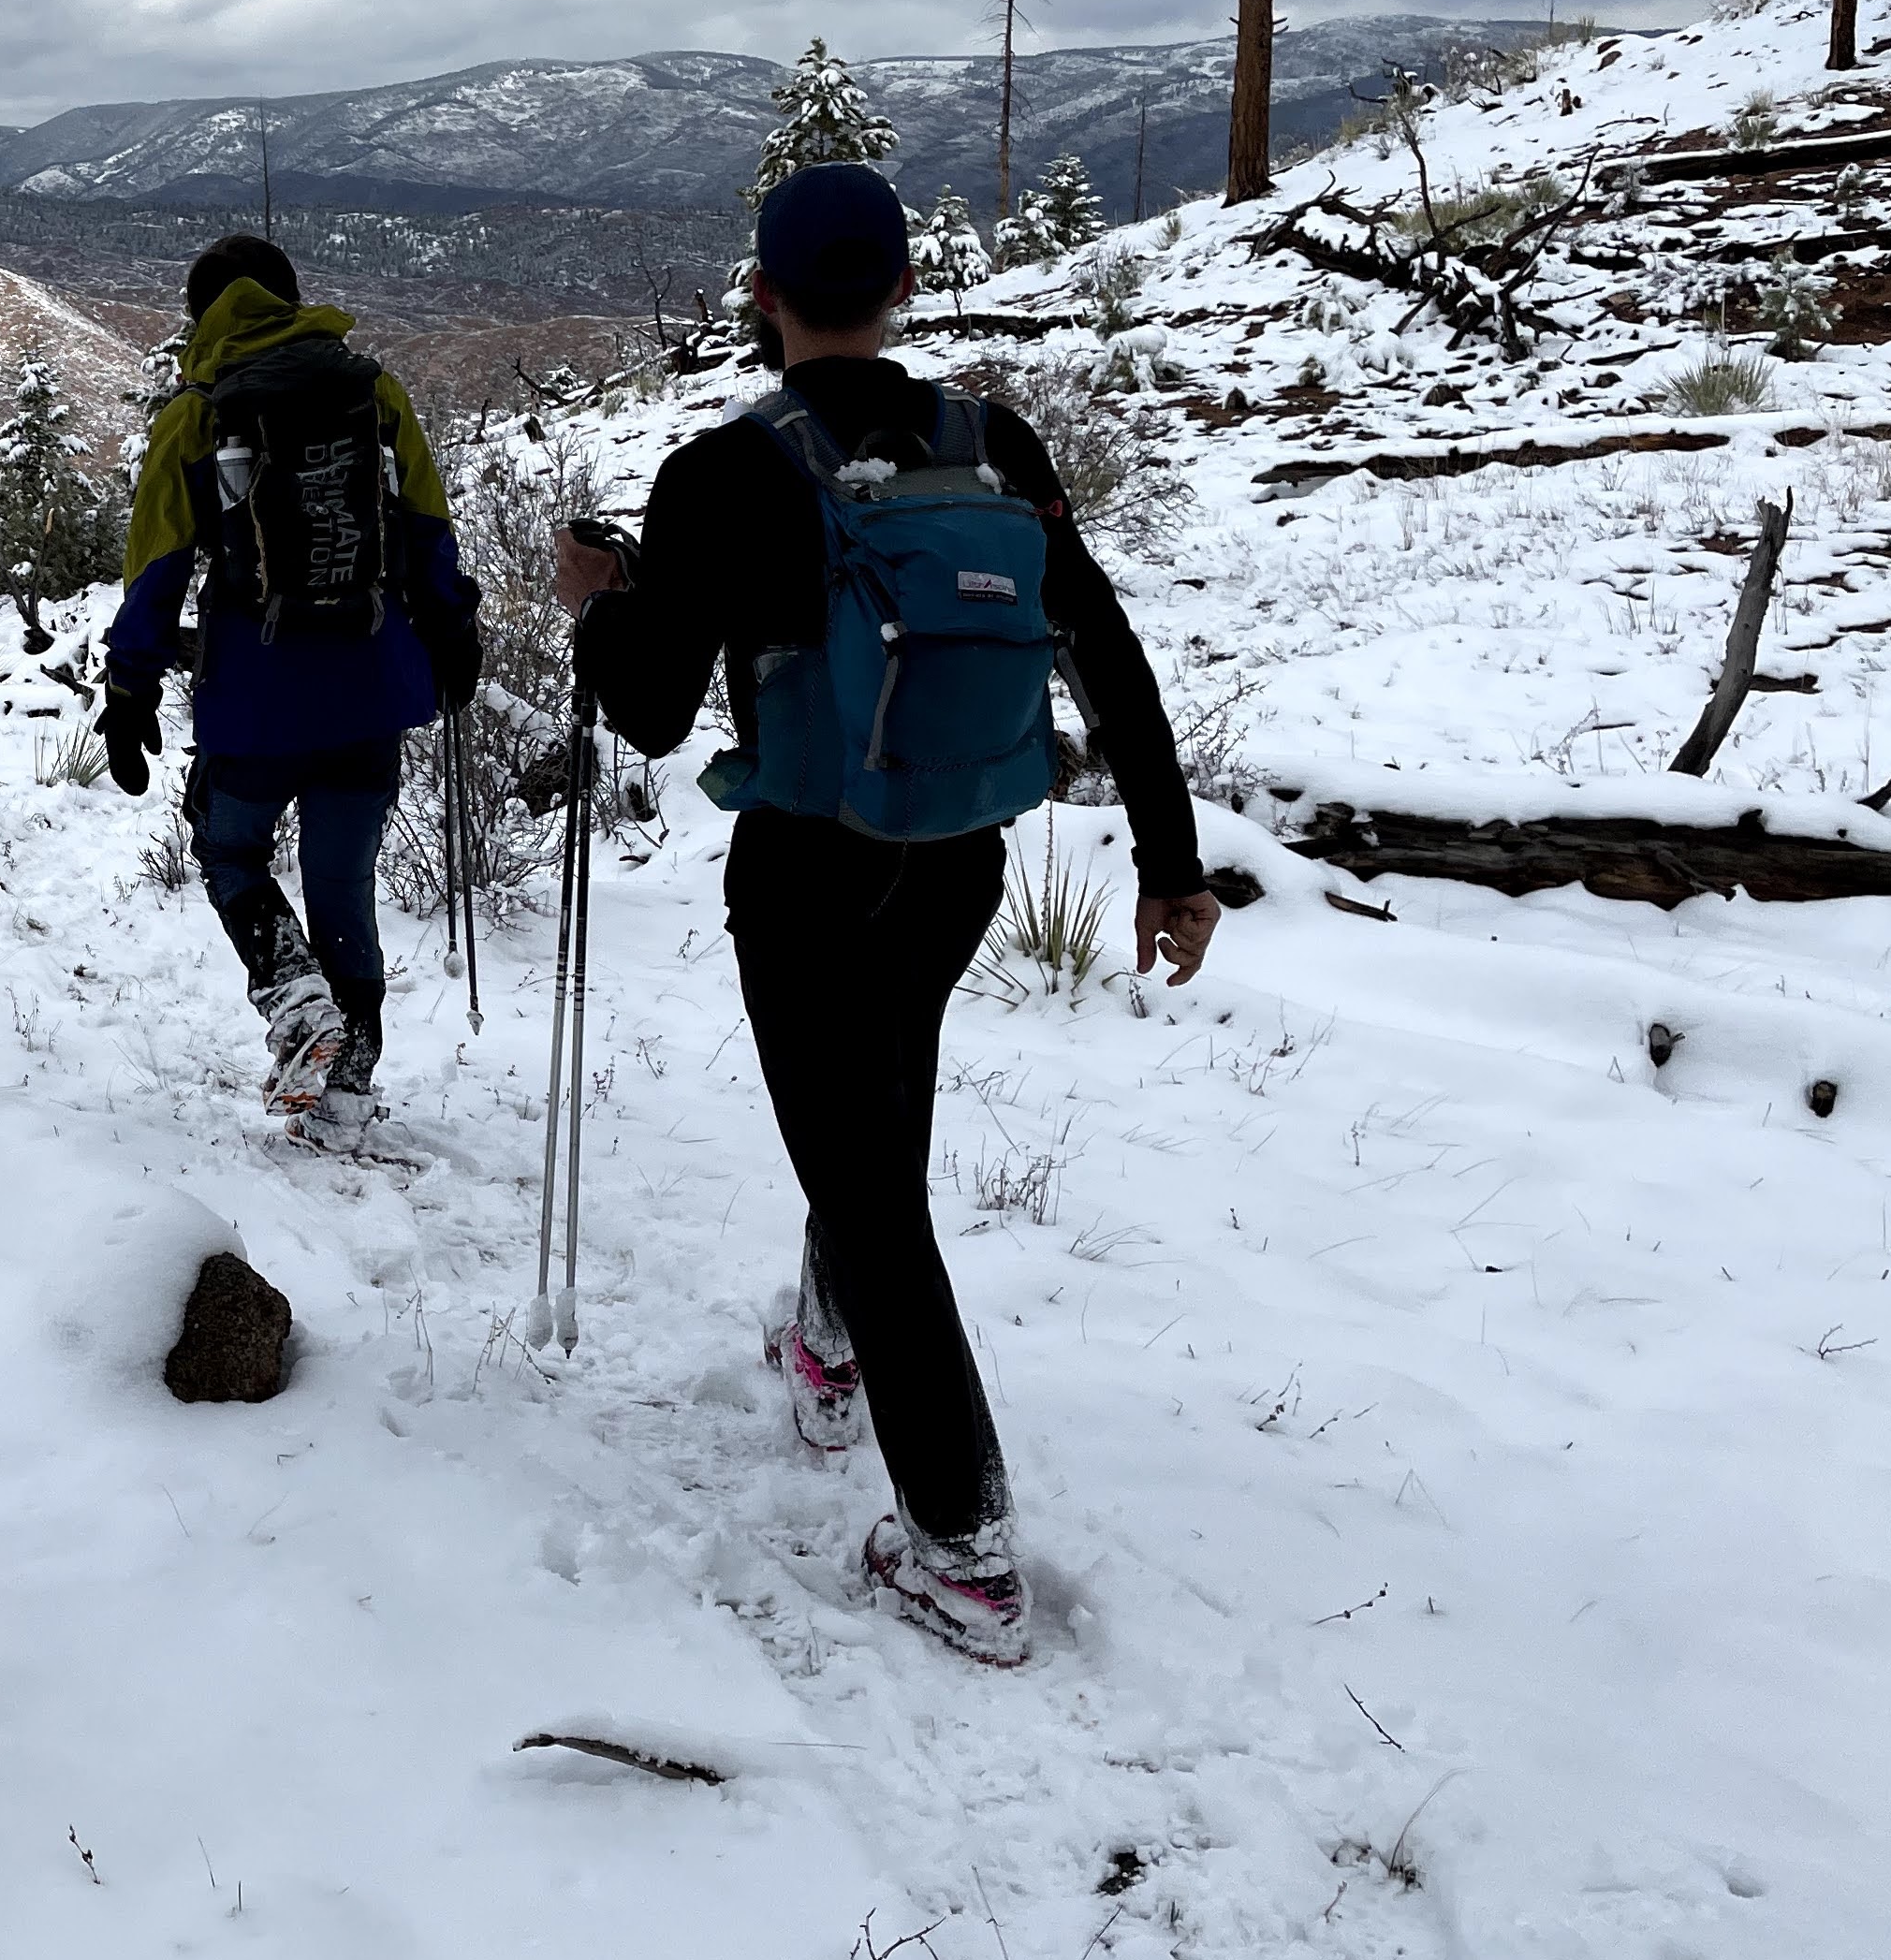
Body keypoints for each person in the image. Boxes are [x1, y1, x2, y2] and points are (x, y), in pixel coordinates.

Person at [553, 162, 1222, 1668]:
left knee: (872, 1188)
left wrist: (599, 602)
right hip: (957, 858)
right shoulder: (991, 447)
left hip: (804, 873)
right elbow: (1103, 648)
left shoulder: (730, 469)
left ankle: (964, 1555)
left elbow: (653, 713)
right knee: (876, 1128)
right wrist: (1169, 865)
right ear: (904, 291)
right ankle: (828, 1353)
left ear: (764, 297)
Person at [102, 236, 482, 1137]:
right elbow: (428, 528)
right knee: (342, 879)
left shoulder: (198, 417)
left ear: (201, 318)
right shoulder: (374, 393)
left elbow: (157, 570)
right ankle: (347, 1079)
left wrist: (130, 690)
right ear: (291, 298)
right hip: (371, 682)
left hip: (256, 697)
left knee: (229, 848)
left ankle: (295, 1000)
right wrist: (453, 634)